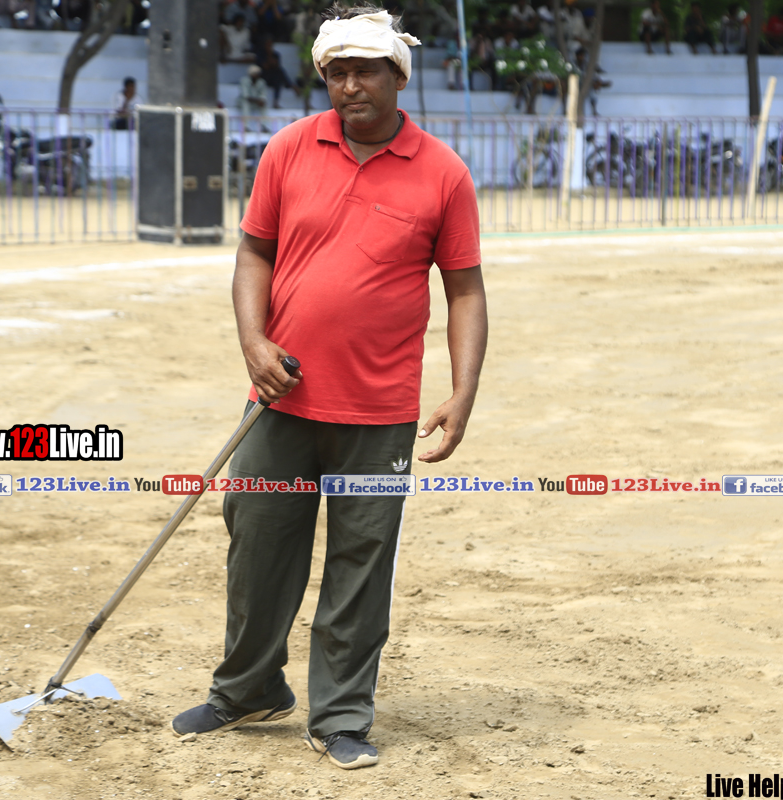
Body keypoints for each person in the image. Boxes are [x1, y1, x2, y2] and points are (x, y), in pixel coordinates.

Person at [170, 2, 488, 773]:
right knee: (256, 549)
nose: (350, 86)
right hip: (280, 400)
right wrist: (253, 343)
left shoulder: (443, 173)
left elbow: (466, 292)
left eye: (365, 71)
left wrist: (462, 392)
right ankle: (248, 689)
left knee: (360, 565)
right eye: (337, 73)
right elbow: (254, 255)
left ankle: (341, 715)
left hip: (379, 415)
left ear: (397, 77)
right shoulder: (288, 149)